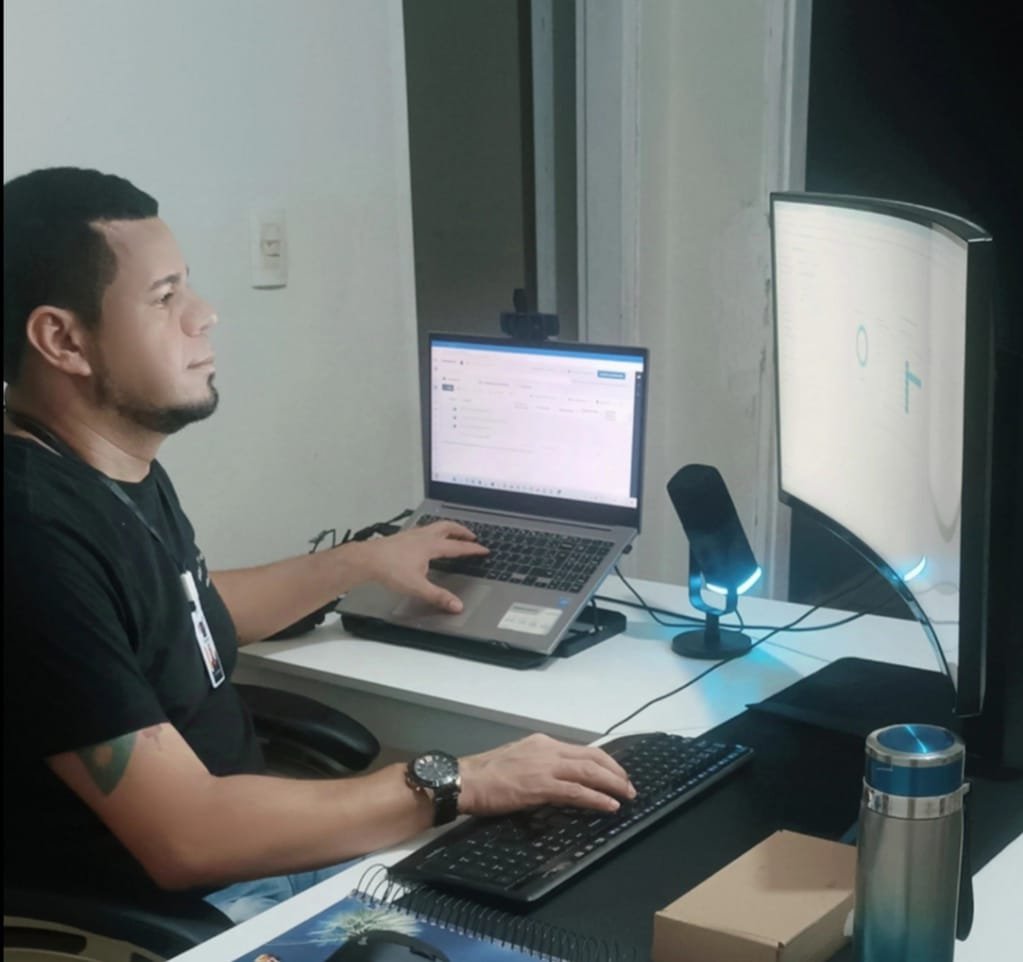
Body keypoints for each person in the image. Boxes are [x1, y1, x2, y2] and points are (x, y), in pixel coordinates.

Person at [2, 167, 635, 923]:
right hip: (199, 911)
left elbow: (177, 612)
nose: (204, 315)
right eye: (165, 298)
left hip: (257, 855)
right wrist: (459, 779)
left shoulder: (106, 470)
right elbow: (186, 838)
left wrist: (360, 563)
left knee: (560, 870)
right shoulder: (32, 540)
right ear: (63, 340)